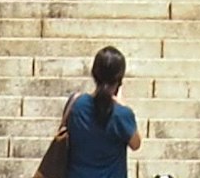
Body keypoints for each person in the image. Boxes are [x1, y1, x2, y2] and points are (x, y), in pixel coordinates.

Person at [51, 45, 141, 178]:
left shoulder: (76, 103)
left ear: (94, 73)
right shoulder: (122, 114)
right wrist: (123, 105)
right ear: (119, 79)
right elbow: (136, 144)